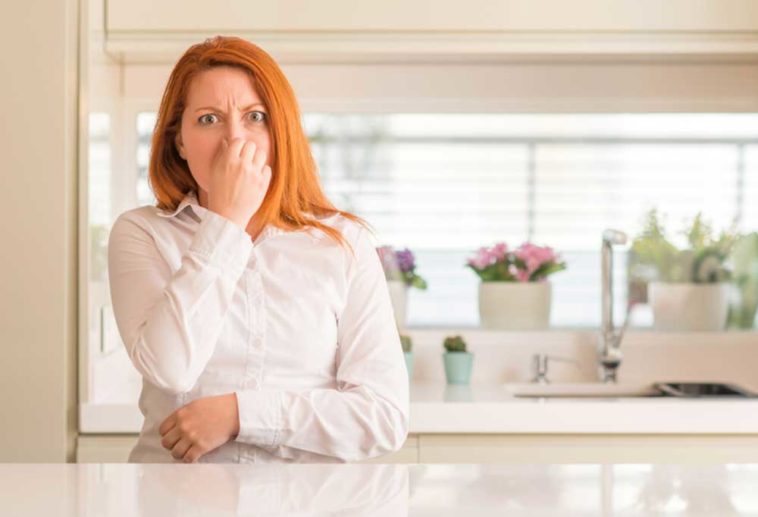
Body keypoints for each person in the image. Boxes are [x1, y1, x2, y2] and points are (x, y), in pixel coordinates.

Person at [107, 36, 409, 463]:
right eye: (209, 119)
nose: (235, 139)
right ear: (179, 142)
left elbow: (382, 417)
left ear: (279, 131)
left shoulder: (343, 243)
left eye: (255, 117)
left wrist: (240, 414)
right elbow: (170, 370)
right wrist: (226, 222)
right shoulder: (142, 233)